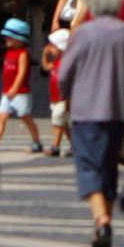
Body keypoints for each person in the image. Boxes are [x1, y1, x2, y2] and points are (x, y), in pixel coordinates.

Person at [54, 0, 124, 247]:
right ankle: (105, 220)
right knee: (109, 165)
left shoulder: (84, 34)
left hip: (86, 110)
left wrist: (64, 95)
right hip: (119, 110)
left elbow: (64, 72)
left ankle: (101, 220)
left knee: (89, 165)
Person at [0, 19, 45, 154]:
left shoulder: (23, 54)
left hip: (20, 92)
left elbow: (22, 72)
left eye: (10, 37)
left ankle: (37, 141)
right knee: (1, 117)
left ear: (20, 39)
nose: (7, 39)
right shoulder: (9, 53)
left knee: (25, 117)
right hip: (6, 92)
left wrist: (15, 87)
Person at [42, 28, 71, 157]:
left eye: (52, 46)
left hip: (63, 98)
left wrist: (68, 97)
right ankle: (75, 144)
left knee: (57, 118)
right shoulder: (57, 62)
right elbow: (47, 66)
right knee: (64, 123)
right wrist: (45, 55)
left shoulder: (68, 63)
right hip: (55, 98)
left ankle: (56, 146)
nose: (49, 48)